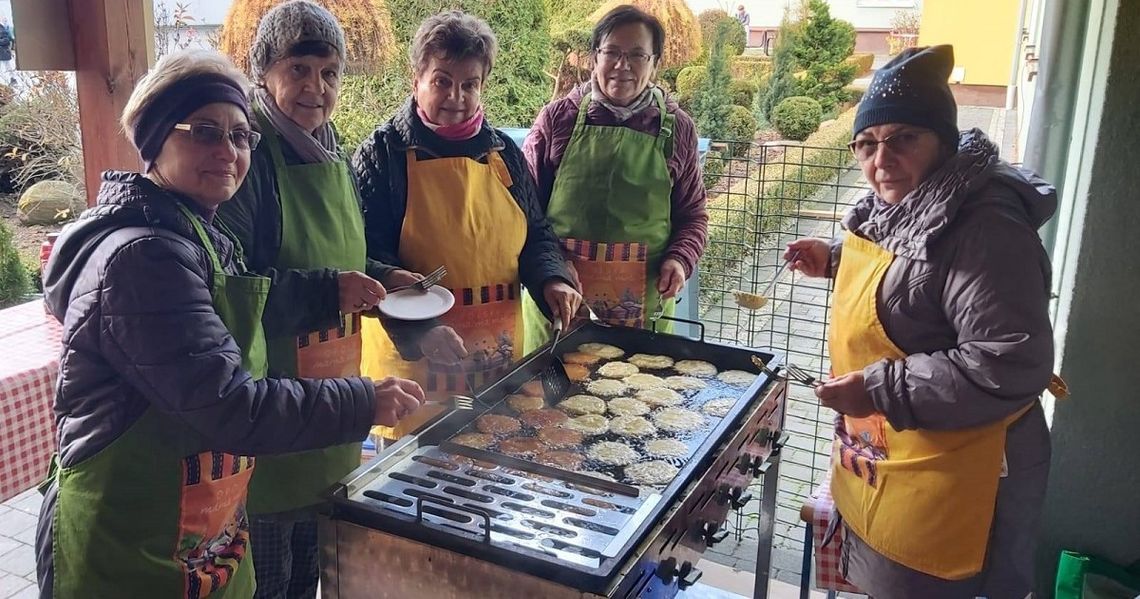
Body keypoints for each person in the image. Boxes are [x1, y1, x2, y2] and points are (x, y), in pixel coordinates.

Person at [35, 49, 424, 599]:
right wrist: (362, 402)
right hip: (128, 538)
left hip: (186, 526)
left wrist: (326, 289)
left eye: (241, 136)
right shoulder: (142, 259)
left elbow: (240, 309)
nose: (228, 151)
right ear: (154, 142)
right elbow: (228, 403)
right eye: (204, 131)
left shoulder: (195, 233)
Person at [785, 45, 1057, 599]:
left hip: (963, 475)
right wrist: (836, 258)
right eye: (865, 144)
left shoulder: (988, 228)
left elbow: (1006, 362)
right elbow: (915, 269)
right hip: (896, 459)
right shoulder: (915, 203)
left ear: (944, 139)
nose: (880, 159)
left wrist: (876, 388)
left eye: (902, 138)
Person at [215, 3, 442, 596]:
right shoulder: (248, 160)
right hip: (270, 418)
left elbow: (346, 261)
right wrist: (330, 289)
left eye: (330, 72)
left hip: (332, 415)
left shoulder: (333, 149)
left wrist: (388, 280)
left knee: (313, 578)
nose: (316, 87)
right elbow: (231, 293)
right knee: (269, 582)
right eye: (299, 68)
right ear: (264, 71)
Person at [353, 10, 579, 433]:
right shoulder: (381, 155)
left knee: (500, 456)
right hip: (414, 374)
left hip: (498, 366)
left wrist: (552, 279)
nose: (456, 96)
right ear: (416, 77)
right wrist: (420, 329)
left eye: (469, 84)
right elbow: (365, 255)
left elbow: (535, 236)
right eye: (442, 81)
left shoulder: (504, 154)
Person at [522, 4, 707, 350]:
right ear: (594, 56)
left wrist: (680, 259)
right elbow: (525, 212)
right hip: (559, 307)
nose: (623, 66)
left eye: (637, 55)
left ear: (654, 62)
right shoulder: (557, 120)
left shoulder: (677, 129)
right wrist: (550, 269)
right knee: (544, 402)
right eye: (612, 53)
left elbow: (693, 215)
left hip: (643, 313)